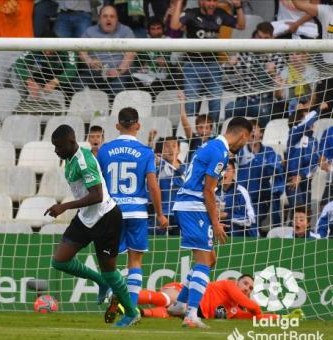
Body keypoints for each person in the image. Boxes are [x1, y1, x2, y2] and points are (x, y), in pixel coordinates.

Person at [44, 124, 140, 327]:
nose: (56, 151)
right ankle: (101, 282)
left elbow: (97, 195)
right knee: (60, 261)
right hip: (86, 217)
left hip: (106, 217)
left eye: (59, 146)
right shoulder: (69, 159)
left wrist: (64, 207)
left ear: (71, 142)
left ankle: (132, 313)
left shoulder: (84, 161)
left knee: (110, 272)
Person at [170, 116, 252, 328]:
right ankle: (191, 314)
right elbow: (207, 189)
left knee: (211, 259)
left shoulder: (211, 145)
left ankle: (180, 304)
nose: (245, 144)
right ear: (243, 135)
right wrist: (215, 222)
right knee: (203, 262)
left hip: (191, 206)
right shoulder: (220, 152)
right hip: (193, 206)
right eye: (247, 139)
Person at [97, 107, 168, 313]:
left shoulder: (105, 150)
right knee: (135, 260)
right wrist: (161, 214)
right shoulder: (146, 152)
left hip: (112, 211)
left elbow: (97, 183)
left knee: (111, 261)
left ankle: (113, 292)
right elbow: (153, 186)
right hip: (137, 211)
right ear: (138, 125)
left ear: (118, 125)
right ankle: (131, 309)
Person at [169, 0, 245, 122]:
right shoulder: (191, 13)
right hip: (193, 65)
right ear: (201, 1)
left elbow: (241, 26)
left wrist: (238, 6)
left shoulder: (220, 14)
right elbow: (174, 26)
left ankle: (213, 135)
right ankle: (191, 138)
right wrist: (179, 2)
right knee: (191, 105)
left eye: (215, 1)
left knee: (215, 105)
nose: (212, 4)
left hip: (213, 65)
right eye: (209, 0)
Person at [223, 22, 285, 126]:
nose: (262, 41)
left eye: (266, 38)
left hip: (265, 101)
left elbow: (280, 91)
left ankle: (260, 139)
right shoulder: (245, 52)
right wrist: (229, 64)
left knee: (263, 110)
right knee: (229, 108)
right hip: (244, 100)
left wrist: (274, 73)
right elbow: (224, 73)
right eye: (259, 37)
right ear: (255, 35)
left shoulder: (277, 57)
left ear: (272, 38)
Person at [140, 275, 279, 320]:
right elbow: (249, 305)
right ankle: (126, 297)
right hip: (185, 292)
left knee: (172, 313)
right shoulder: (228, 284)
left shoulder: (233, 311)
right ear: (237, 282)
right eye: (245, 283)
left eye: (250, 289)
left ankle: (139, 312)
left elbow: (252, 317)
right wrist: (257, 310)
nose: (246, 289)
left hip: (192, 310)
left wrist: (280, 318)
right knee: (166, 299)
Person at [236, 119, 284, 233]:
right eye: (250, 130)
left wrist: (278, 163)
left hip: (262, 197)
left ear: (261, 133)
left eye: (255, 129)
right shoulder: (240, 150)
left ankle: (276, 232)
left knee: (254, 221)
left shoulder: (268, 151)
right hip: (243, 198)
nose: (253, 132)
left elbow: (277, 167)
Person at [78, 5, 136, 96]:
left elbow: (131, 54)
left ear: (117, 19)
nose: (108, 19)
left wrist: (118, 70)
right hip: (93, 73)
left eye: (112, 16)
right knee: (77, 86)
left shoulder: (126, 31)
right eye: (105, 16)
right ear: (99, 18)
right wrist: (90, 61)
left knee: (118, 87)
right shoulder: (89, 31)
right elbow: (81, 52)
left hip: (119, 73)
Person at [285, 101, 328, 209]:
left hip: (305, 179)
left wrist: (302, 175)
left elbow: (315, 163)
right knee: (297, 212)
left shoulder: (314, 142)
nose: (312, 122)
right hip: (292, 180)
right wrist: (319, 109)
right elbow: (305, 124)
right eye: (307, 118)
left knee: (305, 215)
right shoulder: (293, 134)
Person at [13, 30, 78, 100]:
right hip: (47, 72)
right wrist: (29, 82)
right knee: (29, 79)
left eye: (50, 49)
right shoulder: (36, 46)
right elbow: (18, 64)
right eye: (45, 50)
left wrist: (55, 82)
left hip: (67, 74)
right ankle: (29, 102)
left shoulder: (67, 47)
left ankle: (67, 107)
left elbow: (71, 70)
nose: (47, 52)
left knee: (74, 85)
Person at [218, 159, 257, 237]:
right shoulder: (213, 192)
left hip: (241, 238)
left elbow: (251, 220)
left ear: (234, 173)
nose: (224, 173)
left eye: (227, 170)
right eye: (221, 170)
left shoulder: (241, 191)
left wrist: (227, 216)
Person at [154, 136, 184, 235]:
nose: (171, 149)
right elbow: (153, 158)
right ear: (162, 150)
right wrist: (151, 141)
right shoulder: (160, 166)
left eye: (174, 146)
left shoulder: (186, 168)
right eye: (167, 146)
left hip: (181, 213)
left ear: (179, 149)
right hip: (162, 213)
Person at [178, 90, 215, 162]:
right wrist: (182, 101)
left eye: (206, 128)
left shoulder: (214, 141)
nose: (204, 130)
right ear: (196, 128)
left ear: (211, 129)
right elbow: (184, 121)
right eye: (201, 127)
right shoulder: (194, 139)